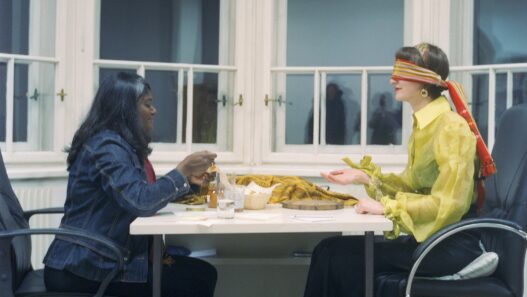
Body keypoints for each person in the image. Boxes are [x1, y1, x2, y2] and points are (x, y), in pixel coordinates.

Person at [303, 43, 495, 297]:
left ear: (425, 82)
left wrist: (387, 208)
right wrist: (365, 177)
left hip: (448, 244)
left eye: (404, 71)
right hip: (428, 236)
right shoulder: (425, 123)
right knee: (326, 250)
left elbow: (449, 204)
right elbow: (411, 184)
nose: (394, 78)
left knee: (337, 258)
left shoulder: (451, 127)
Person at [43, 72, 218, 297]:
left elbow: (140, 194)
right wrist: (181, 170)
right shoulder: (106, 147)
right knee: (198, 278)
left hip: (104, 257)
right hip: (85, 267)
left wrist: (187, 182)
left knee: (200, 274)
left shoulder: (118, 144)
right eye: (147, 104)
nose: (154, 110)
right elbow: (140, 202)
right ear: (124, 109)